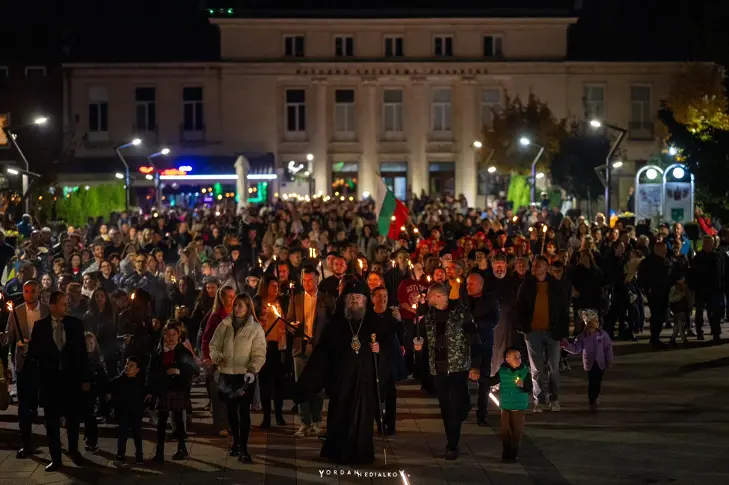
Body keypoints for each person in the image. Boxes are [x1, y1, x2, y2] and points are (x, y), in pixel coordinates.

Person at [294, 279, 381, 465]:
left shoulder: (373, 322)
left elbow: (388, 346)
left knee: (362, 417)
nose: (355, 301)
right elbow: (322, 355)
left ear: (366, 300)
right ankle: (338, 451)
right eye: (351, 298)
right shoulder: (335, 325)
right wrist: (306, 384)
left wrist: (378, 349)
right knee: (340, 414)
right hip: (341, 381)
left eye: (358, 298)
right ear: (344, 301)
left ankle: (361, 453)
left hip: (364, 381)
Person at [414, 283, 481, 460]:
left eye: (429, 295)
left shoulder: (460, 313)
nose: (426, 298)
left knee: (458, 403)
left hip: (458, 367)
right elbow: (425, 338)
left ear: (438, 296)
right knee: (446, 407)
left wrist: (475, 365)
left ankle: (462, 410)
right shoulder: (429, 316)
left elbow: (474, 338)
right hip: (439, 369)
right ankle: (452, 444)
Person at [27, 291, 90, 472]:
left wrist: (85, 378)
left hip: (71, 382)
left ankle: (73, 449)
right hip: (50, 383)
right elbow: (34, 355)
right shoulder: (40, 327)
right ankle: (56, 459)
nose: (66, 307)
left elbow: (82, 354)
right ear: (53, 305)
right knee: (52, 422)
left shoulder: (75, 324)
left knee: (73, 420)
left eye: (66, 303)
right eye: (63, 304)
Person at [209, 293, 267, 463]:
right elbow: (214, 344)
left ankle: (243, 447)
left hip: (244, 376)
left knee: (244, 412)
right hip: (227, 375)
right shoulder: (224, 325)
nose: (238, 309)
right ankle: (235, 440)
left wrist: (252, 369)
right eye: (236, 305)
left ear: (249, 308)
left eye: (241, 305)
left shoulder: (255, 329)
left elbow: (259, 353)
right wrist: (217, 356)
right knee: (231, 412)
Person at [1, 280, 49, 458]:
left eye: (33, 291)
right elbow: (10, 336)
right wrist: (4, 337)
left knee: (48, 403)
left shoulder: (46, 310)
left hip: (43, 363)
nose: (29, 294)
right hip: (24, 363)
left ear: (39, 292)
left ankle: (54, 444)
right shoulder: (17, 312)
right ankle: (26, 443)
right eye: (26, 291)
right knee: (24, 405)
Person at [516, 256, 570, 413]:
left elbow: (563, 310)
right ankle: (538, 399)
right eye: (533, 266)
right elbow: (520, 307)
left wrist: (563, 333)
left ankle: (554, 398)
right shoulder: (526, 285)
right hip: (532, 332)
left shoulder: (555, 286)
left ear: (546, 268)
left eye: (539, 266)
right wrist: (523, 327)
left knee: (553, 366)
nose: (535, 268)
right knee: (536, 368)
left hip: (552, 332)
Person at [286, 267, 335, 438]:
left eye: (310, 280)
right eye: (304, 280)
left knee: (318, 387)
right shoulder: (296, 298)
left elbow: (332, 323)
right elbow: (289, 320)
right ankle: (304, 422)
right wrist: (292, 328)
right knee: (301, 385)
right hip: (300, 347)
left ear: (317, 280)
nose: (307, 283)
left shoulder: (326, 299)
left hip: (318, 348)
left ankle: (317, 421)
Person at [147, 322, 199, 462]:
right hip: (163, 390)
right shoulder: (158, 353)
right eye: (167, 334)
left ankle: (182, 449)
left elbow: (195, 369)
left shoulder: (183, 351)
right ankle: (159, 452)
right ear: (163, 336)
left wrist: (179, 371)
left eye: (173, 335)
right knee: (161, 422)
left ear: (178, 336)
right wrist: (150, 390)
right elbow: (150, 372)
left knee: (178, 421)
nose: (170, 338)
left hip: (178, 389)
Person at [465, 273, 500, 427]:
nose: (468, 287)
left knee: (484, 380)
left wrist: (477, 325)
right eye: (467, 284)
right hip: (466, 343)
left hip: (483, 342)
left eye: (471, 284)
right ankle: (464, 407)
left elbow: (494, 319)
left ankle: (482, 413)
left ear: (480, 285)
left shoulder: (490, 299)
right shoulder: (463, 298)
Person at [561, 310, 614, 412]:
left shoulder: (603, 335)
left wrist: (609, 360)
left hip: (600, 362)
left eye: (597, 320)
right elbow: (576, 348)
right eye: (595, 321)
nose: (597, 322)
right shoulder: (582, 337)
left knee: (598, 380)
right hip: (590, 363)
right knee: (592, 380)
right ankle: (592, 398)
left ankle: (596, 395)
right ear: (589, 323)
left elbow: (608, 348)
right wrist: (566, 345)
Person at [488, 346, 532, 462]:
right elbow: (493, 381)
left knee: (517, 430)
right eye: (514, 357)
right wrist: (480, 378)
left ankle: (513, 452)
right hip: (505, 405)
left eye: (519, 357)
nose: (518, 359)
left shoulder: (524, 371)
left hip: (518, 406)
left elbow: (530, 388)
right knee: (505, 430)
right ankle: (506, 450)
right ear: (507, 359)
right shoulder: (502, 371)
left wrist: (523, 385)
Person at [107, 356, 146, 467]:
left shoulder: (139, 382)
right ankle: (120, 456)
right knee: (122, 435)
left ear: (137, 370)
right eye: (126, 364)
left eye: (131, 365)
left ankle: (139, 456)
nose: (127, 367)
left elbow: (143, 396)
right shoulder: (119, 380)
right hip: (123, 412)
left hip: (135, 413)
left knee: (137, 435)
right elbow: (108, 386)